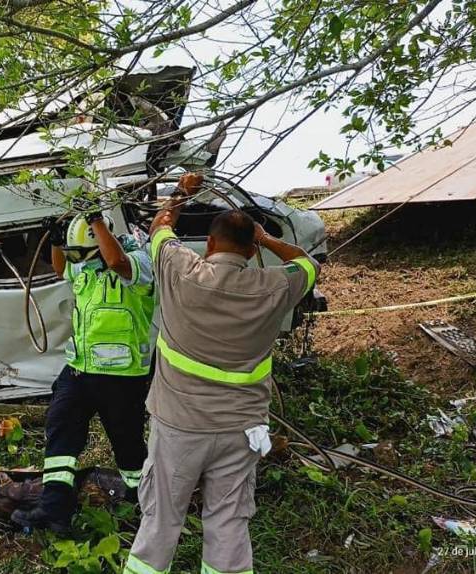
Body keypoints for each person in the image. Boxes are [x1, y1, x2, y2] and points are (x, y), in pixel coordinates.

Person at [125, 173, 320, 574]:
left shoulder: (181, 270)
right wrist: (265, 238)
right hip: (241, 430)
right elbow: (306, 262)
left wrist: (182, 193)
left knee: (161, 517)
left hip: (180, 425)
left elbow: (159, 227)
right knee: (229, 520)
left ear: (210, 244)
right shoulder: (272, 287)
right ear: (251, 251)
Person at [11, 211, 155, 535]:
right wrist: (58, 242)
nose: (81, 261)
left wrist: (96, 221)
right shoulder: (86, 265)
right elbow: (63, 267)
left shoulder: (138, 263)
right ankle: (54, 510)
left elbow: (117, 262)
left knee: (128, 446)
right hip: (79, 371)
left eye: (84, 253)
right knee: (60, 429)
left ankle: (144, 508)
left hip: (122, 377)